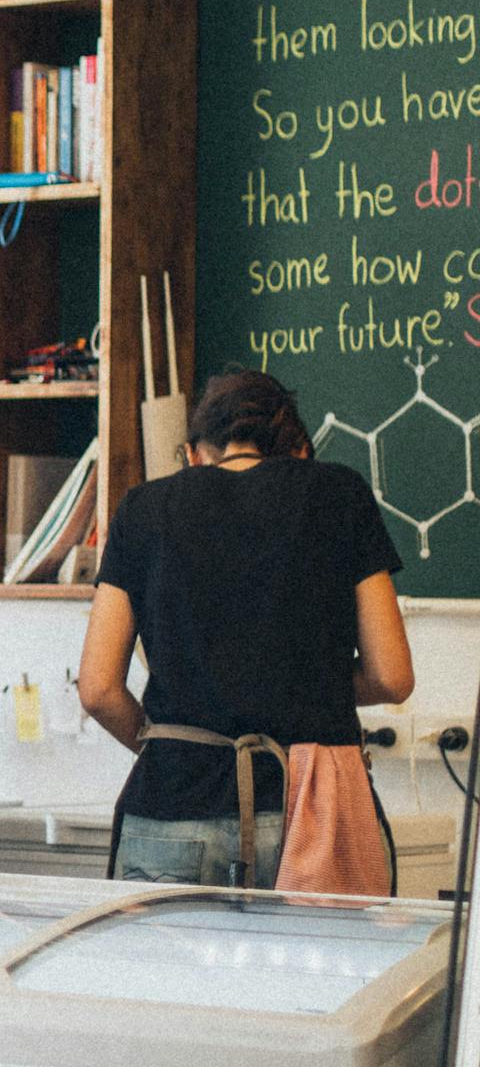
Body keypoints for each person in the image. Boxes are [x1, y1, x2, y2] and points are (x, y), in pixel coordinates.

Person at [78, 366, 415, 890]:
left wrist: (168, 746)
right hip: (309, 812)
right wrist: (307, 681)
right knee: (327, 976)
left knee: (160, 974)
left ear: (193, 454)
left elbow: (98, 689)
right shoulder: (339, 494)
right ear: (297, 450)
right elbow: (392, 677)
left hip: (172, 806)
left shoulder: (142, 509)